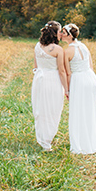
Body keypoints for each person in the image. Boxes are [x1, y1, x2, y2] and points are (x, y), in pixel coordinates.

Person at [61, 23, 96, 154]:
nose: (61, 34)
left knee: (79, 111)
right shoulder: (84, 47)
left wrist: (67, 90)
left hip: (79, 81)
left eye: (63, 32)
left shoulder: (67, 51)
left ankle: (82, 144)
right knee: (92, 110)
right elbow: (90, 65)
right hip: (91, 79)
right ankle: (95, 140)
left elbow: (68, 73)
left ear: (69, 35)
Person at [31, 21, 68, 151]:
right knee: (53, 109)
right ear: (54, 33)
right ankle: (47, 139)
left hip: (39, 80)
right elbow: (62, 71)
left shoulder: (37, 46)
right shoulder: (58, 50)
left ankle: (42, 137)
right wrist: (67, 89)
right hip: (53, 80)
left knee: (41, 108)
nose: (61, 35)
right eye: (59, 32)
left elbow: (35, 67)